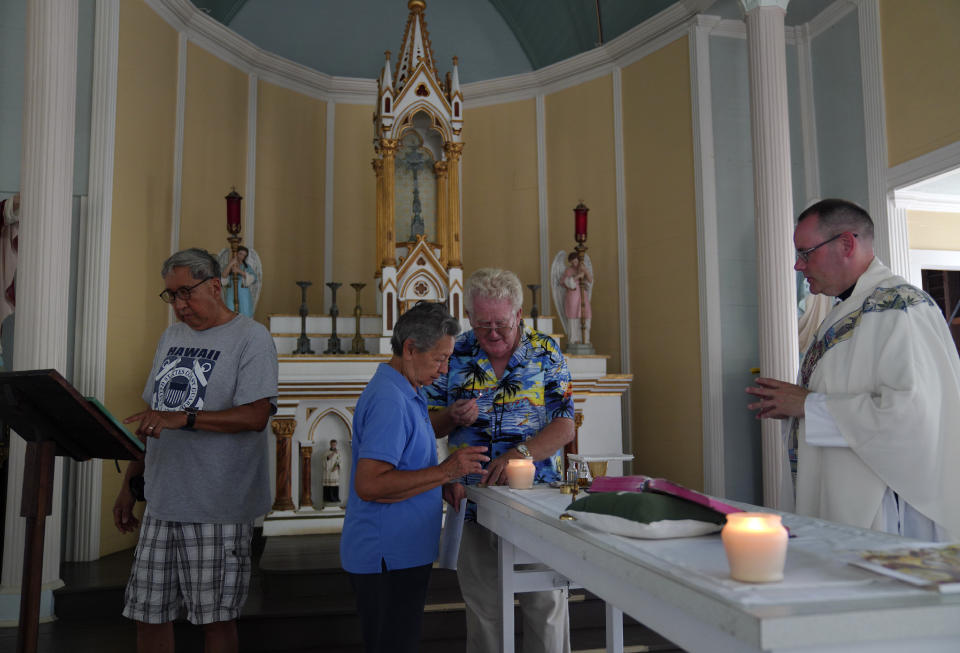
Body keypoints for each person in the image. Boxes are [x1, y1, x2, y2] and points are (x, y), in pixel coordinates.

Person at [746, 199, 960, 541]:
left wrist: (808, 405)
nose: (798, 265)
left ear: (846, 244)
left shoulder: (902, 309)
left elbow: (914, 415)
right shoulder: (845, 312)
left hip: (886, 510)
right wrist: (795, 407)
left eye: (806, 252)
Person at [113, 247, 278, 653]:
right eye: (171, 295)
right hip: (163, 499)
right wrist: (130, 483)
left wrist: (184, 417)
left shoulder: (251, 338)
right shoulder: (171, 336)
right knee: (149, 614)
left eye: (186, 292)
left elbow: (256, 416)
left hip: (217, 504)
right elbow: (153, 420)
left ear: (216, 286)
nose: (179, 304)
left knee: (215, 620)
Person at [426, 268, 576, 653]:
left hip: (535, 500)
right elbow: (426, 424)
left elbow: (565, 426)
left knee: (545, 605)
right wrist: (451, 418)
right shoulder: (455, 352)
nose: (492, 334)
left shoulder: (545, 351)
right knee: (485, 611)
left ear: (519, 314)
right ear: (470, 319)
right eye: (482, 325)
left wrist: (517, 454)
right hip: (472, 500)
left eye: (501, 325)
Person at [340, 301, 489, 653]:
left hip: (399, 551)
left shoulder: (407, 389)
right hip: (387, 555)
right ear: (410, 349)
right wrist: (446, 471)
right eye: (439, 358)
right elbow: (371, 484)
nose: (444, 369)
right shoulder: (391, 400)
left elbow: (406, 457)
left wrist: (441, 482)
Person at [561, 252, 592, 345]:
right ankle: (574, 340)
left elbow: (590, 281)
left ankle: (585, 339)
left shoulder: (583, 268)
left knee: (586, 316)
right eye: (572, 262)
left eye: (576, 261)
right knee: (573, 318)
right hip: (573, 297)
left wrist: (585, 272)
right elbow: (566, 282)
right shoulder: (568, 270)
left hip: (583, 296)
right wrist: (578, 276)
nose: (574, 264)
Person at [220, 245, 258, 317]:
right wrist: (231, 264)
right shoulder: (229, 265)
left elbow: (254, 278)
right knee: (230, 314)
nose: (241, 256)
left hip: (244, 294)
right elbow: (223, 277)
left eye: (244, 255)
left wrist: (239, 271)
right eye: (240, 254)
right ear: (236, 253)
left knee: (244, 314)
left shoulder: (246, 267)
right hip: (231, 293)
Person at [323, 438, 341, 506]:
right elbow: (324, 460)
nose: (333, 445)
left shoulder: (339, 452)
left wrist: (338, 466)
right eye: (332, 444)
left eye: (335, 444)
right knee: (328, 485)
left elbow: (340, 460)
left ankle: (335, 498)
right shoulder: (326, 452)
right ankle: (327, 498)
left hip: (335, 471)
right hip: (328, 472)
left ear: (336, 445)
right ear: (330, 444)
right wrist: (332, 454)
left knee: (335, 485)